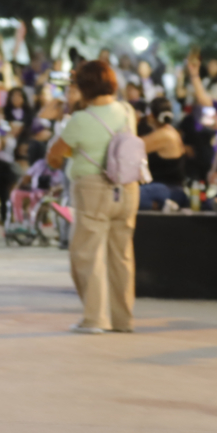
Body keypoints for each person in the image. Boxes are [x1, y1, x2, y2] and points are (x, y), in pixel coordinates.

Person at [47, 60, 139, 333]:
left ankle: (95, 318)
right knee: (121, 256)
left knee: (86, 253)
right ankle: (123, 319)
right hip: (127, 187)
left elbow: (54, 156)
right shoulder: (126, 110)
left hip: (92, 188)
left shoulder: (81, 119)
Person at [139, 97, 188, 211]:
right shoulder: (169, 131)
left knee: (129, 195)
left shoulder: (165, 135)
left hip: (167, 189)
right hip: (165, 188)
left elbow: (131, 148)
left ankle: (159, 206)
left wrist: (133, 122)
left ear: (150, 115)